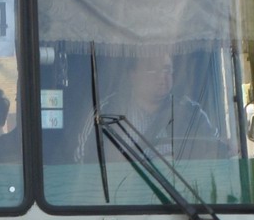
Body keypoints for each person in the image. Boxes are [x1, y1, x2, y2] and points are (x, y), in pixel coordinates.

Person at [73, 52, 220, 162]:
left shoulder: (191, 113)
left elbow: (214, 155)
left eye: (167, 70)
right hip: (119, 199)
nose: (162, 77)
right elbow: (82, 161)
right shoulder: (105, 113)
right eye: (152, 70)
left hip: (179, 200)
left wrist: (229, 150)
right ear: (133, 75)